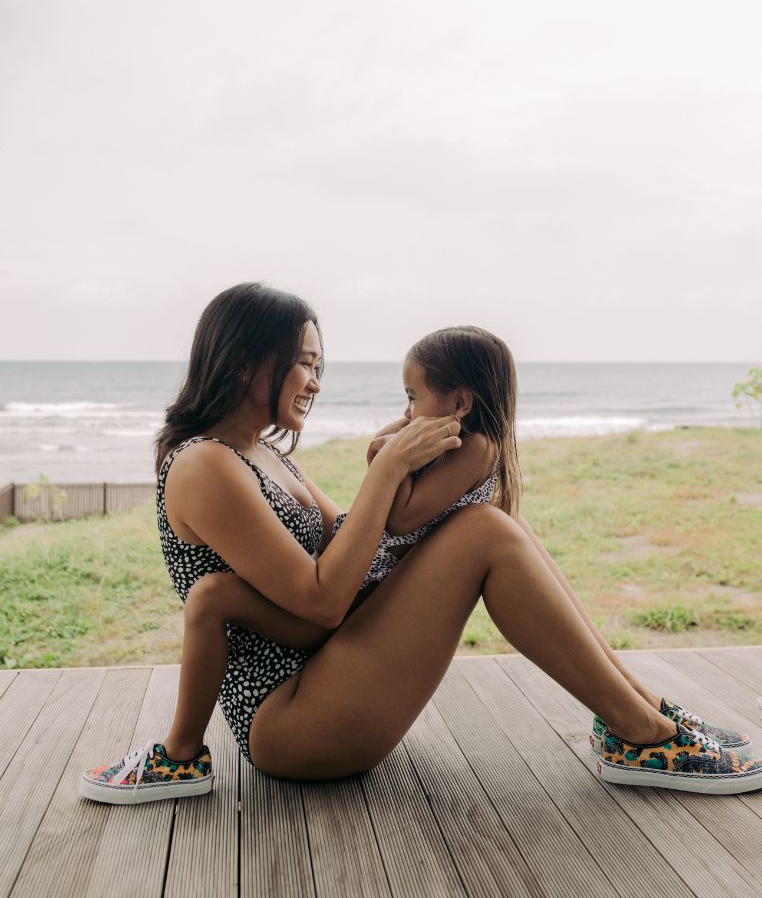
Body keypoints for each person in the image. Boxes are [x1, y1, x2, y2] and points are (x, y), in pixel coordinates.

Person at [79, 283, 760, 803]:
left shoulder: (264, 456)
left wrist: (410, 486)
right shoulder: (206, 465)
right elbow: (320, 601)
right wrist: (392, 468)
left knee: (497, 520)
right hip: (290, 721)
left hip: (330, 674)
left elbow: (357, 540)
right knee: (487, 529)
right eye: (305, 364)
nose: (316, 381)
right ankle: (643, 736)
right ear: (251, 361)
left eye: (319, 366)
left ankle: (639, 713)